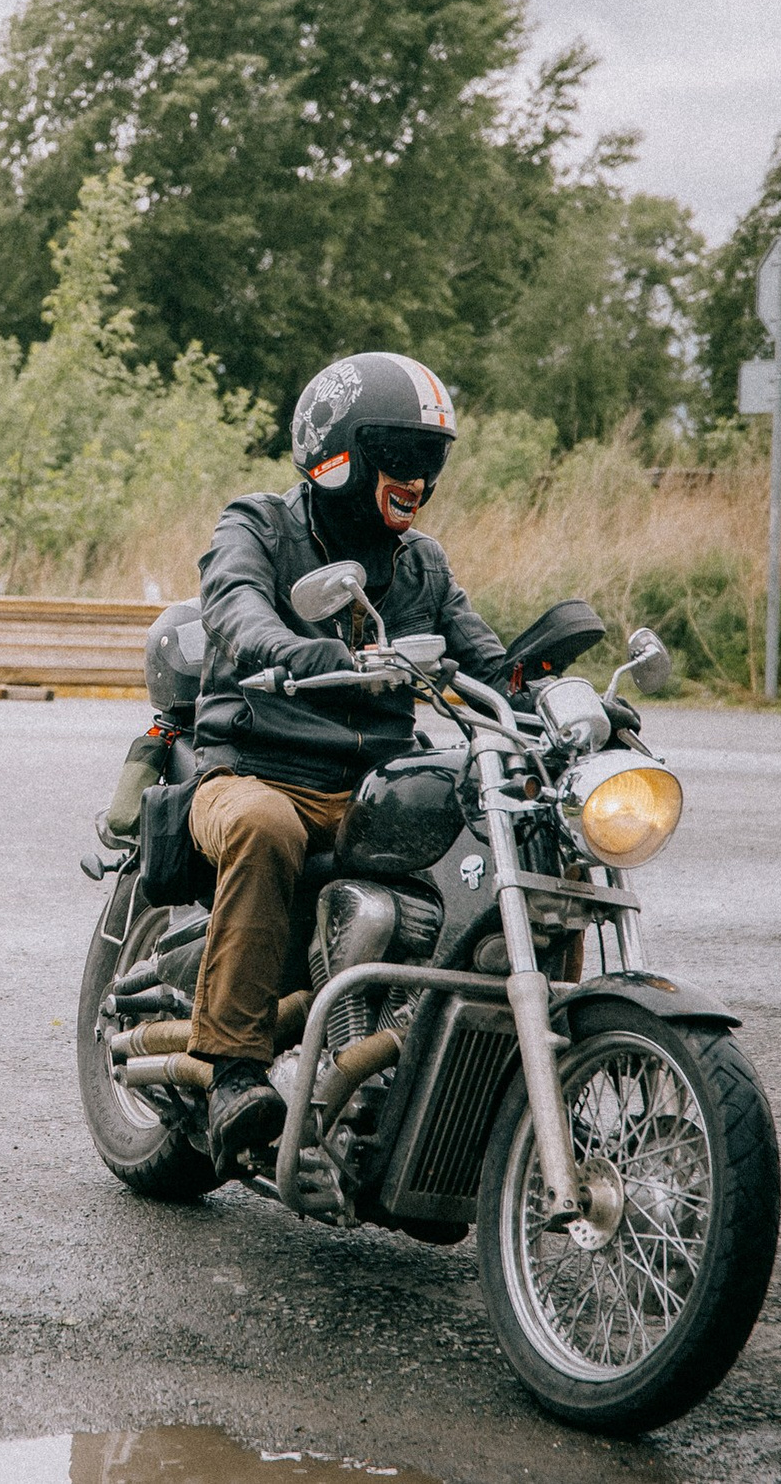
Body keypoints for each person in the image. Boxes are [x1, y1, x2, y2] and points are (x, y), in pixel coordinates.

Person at [185, 352, 508, 1171]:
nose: (418, 478)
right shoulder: (259, 525)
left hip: (371, 789)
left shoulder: (422, 564)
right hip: (251, 770)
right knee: (264, 826)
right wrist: (289, 648)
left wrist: (556, 694)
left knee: (504, 827)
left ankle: (459, 1077)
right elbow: (233, 603)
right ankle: (232, 1073)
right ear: (338, 454)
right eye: (399, 455)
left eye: (430, 459)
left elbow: (486, 662)